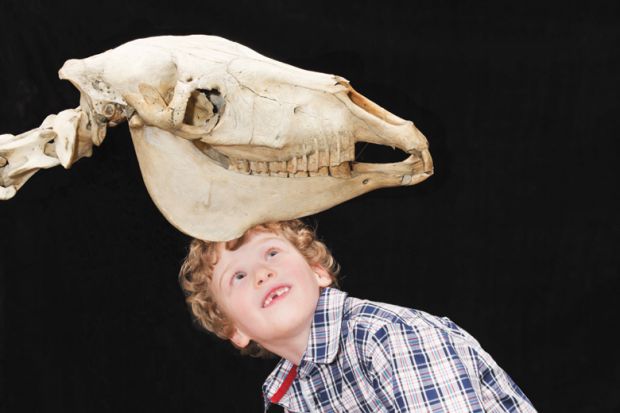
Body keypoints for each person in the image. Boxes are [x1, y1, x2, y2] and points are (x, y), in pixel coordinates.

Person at [179, 220, 536, 412]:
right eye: (238, 277)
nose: (261, 273)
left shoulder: (392, 337)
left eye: (272, 253)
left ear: (318, 272)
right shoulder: (287, 396)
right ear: (234, 329)